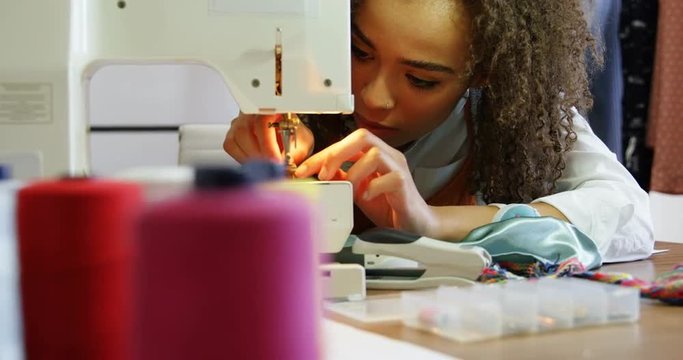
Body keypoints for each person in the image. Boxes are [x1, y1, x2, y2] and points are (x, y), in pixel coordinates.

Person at [223, 0, 654, 263]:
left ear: (482, 72)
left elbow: (629, 218)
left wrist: (433, 222)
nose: (374, 98)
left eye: (421, 80)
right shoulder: (301, 88)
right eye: (360, 52)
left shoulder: (524, 114)